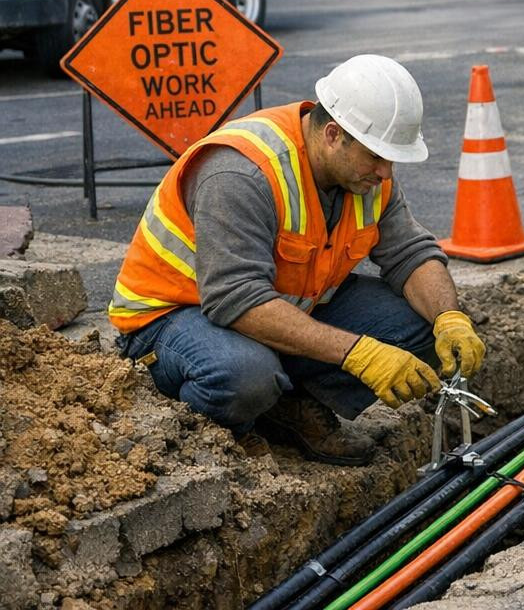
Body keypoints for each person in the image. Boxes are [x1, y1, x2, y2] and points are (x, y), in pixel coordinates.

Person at [112, 54, 487, 465]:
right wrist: (356, 353)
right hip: (172, 318)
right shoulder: (242, 173)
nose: (385, 172)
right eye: (376, 156)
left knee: (423, 323)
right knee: (244, 376)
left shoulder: (366, 176)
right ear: (332, 135)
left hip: (280, 304)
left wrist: (449, 318)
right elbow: (234, 298)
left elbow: (410, 253)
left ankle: (290, 407)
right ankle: (220, 435)